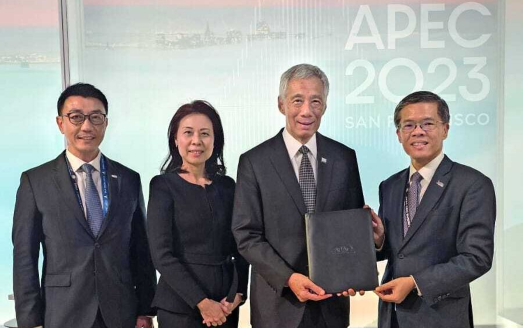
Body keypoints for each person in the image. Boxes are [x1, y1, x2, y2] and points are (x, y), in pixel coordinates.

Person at [12, 83, 157, 328]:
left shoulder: (128, 179)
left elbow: (141, 250)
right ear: (61, 123)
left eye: (95, 117)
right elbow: (25, 257)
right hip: (63, 313)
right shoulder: (35, 181)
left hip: (120, 311)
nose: (87, 126)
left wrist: (145, 310)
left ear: (106, 123)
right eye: (76, 117)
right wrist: (30, 321)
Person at [232, 64, 365, 328]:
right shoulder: (254, 162)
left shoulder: (344, 158)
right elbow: (246, 235)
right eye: (297, 100)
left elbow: (353, 226)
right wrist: (289, 278)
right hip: (278, 306)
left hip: (332, 307)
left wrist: (355, 273)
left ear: (325, 106)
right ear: (281, 105)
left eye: (316, 101)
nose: (307, 110)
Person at [371, 91, 496, 328]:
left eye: (428, 123)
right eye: (409, 125)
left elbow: (477, 257)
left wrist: (415, 282)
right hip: (392, 318)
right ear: (399, 134)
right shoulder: (389, 186)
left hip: (442, 317)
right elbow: (398, 251)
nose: (418, 131)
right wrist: (379, 240)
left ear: (445, 129)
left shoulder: (472, 184)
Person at [147, 100, 249, 328]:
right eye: (188, 133)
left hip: (225, 305)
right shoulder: (163, 186)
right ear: (175, 139)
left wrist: (238, 294)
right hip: (180, 306)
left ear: (215, 140)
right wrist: (202, 303)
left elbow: (242, 244)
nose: (196, 141)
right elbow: (161, 255)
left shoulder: (228, 186)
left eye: (205, 133)